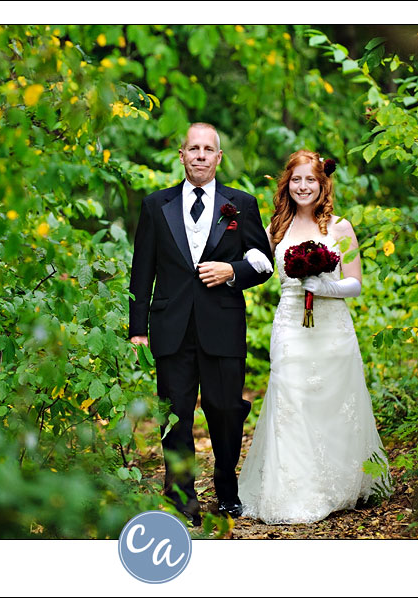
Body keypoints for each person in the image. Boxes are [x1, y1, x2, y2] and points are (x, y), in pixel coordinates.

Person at [129, 123, 274, 525]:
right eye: (193, 148)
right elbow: (142, 271)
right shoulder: (155, 205)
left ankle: (227, 492)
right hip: (170, 327)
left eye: (208, 149)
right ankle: (180, 498)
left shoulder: (240, 203)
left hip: (222, 327)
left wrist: (232, 269)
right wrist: (137, 328)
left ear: (219, 158)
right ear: (181, 155)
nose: (200, 155)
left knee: (226, 411)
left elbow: (264, 261)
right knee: (174, 415)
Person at [237, 149, 389, 524]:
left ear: (323, 185)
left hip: (332, 326)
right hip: (290, 324)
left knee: (333, 403)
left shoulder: (341, 227)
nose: (303, 186)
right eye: (297, 180)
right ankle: (293, 492)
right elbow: (256, 267)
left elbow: (354, 284)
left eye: (311, 180)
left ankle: (335, 486)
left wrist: (322, 286)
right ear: (287, 184)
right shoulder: (276, 229)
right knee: (291, 400)